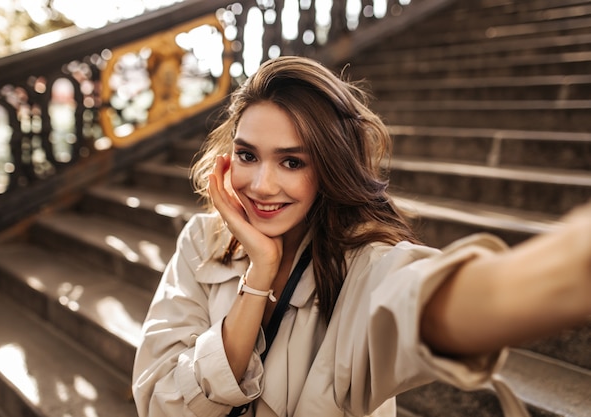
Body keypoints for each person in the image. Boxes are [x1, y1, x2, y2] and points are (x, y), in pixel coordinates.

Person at [131, 55, 591, 417]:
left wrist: (564, 268)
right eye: (248, 156)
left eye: (293, 162)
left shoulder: (363, 264)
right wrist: (261, 273)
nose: (261, 185)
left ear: (329, 168)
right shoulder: (200, 242)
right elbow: (161, 402)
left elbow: (419, 303)